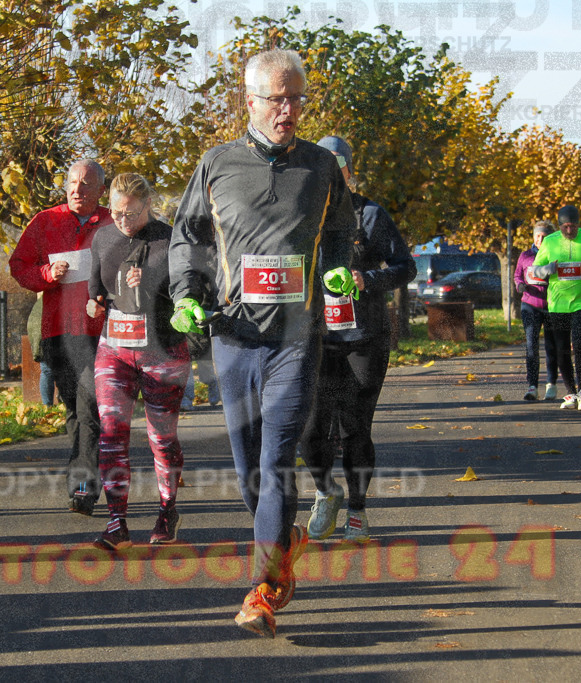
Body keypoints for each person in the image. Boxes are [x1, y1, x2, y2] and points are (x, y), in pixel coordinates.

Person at [169, 49, 356, 638]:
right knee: (250, 468)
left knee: (276, 460)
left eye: (296, 98)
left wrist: (336, 268)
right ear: (248, 100)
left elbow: (343, 234)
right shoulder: (217, 163)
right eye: (276, 98)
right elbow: (188, 237)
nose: (288, 110)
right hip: (233, 336)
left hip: (297, 339)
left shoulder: (323, 167)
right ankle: (285, 541)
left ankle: (265, 588)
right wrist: (185, 293)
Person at [298, 135, 416, 545]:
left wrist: (368, 279)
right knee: (310, 430)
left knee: (354, 427)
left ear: (348, 170)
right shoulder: (302, 214)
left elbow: (406, 267)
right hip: (314, 336)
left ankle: (359, 511)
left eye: (337, 166)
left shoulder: (371, 215)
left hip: (363, 337)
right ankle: (325, 491)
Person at [86, 173, 191, 549]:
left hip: (163, 348)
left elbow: (189, 291)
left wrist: (149, 283)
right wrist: (94, 303)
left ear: (148, 205)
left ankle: (167, 509)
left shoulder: (170, 239)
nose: (123, 222)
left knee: (161, 438)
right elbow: (96, 291)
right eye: (116, 213)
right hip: (114, 346)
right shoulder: (103, 236)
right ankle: (117, 522)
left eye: (131, 214)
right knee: (112, 432)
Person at [10, 160, 111, 516]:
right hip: (58, 331)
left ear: (101, 189)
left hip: (100, 334)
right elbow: (18, 266)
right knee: (75, 411)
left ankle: (83, 487)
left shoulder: (113, 223)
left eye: (85, 184)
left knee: (90, 409)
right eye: (71, 182)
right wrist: (46, 272)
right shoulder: (45, 221)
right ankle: (82, 480)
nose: (76, 189)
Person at [530, 205, 581, 411]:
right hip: (558, 303)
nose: (569, 231)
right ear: (559, 226)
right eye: (565, 227)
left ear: (578, 224)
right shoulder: (549, 242)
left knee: (579, 343)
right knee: (561, 350)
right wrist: (549, 269)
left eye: (573, 226)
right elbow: (535, 270)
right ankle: (571, 393)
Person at [514, 221, 559, 402]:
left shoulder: (556, 256)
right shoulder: (525, 255)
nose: (540, 240)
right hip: (530, 305)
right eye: (537, 236)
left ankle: (551, 384)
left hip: (552, 306)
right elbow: (518, 275)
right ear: (533, 237)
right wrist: (520, 285)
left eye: (544, 236)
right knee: (531, 346)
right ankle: (532, 386)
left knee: (551, 347)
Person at [27, 293, 56, 406]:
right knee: (49, 369)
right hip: (44, 331)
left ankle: (47, 405)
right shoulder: (60, 296)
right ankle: (49, 404)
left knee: (47, 370)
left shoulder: (44, 297)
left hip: (39, 331)